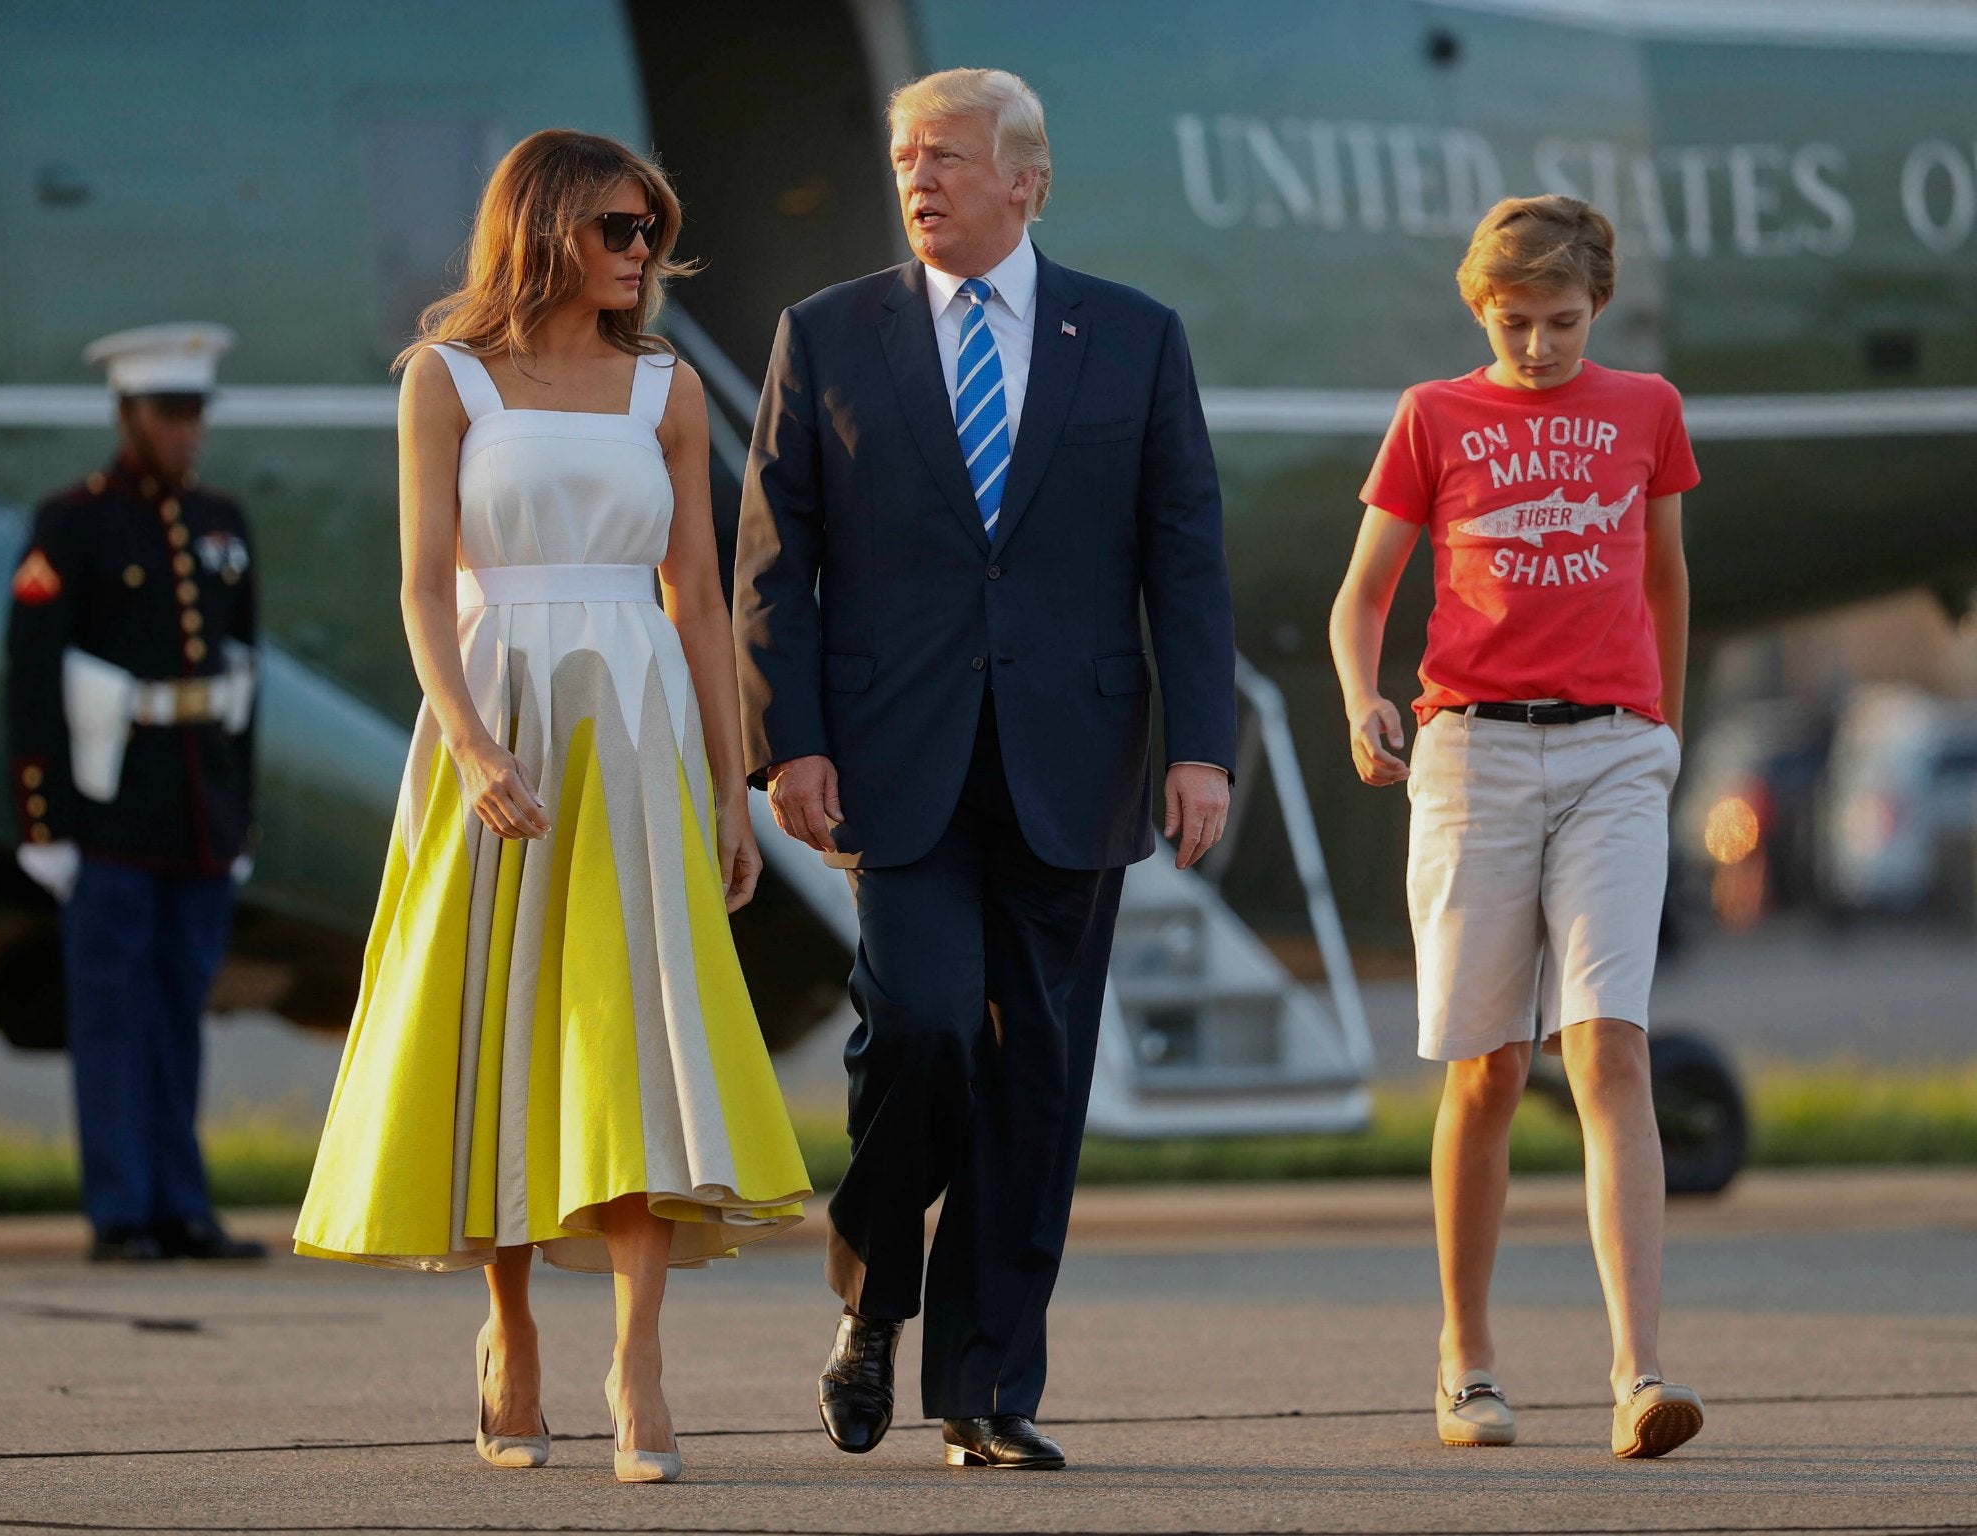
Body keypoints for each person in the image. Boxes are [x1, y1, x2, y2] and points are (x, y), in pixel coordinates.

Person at [735, 68, 1236, 1470]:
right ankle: (874, 1288)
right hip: (893, 759)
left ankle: (984, 1387)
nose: (919, 178)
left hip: (1075, 758)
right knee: (929, 1030)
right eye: (905, 156)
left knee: (1040, 1076)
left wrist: (1202, 749)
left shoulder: (1133, 338)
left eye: (948, 156)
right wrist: (793, 738)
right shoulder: (827, 335)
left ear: (1029, 177)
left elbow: (1184, 555)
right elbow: (776, 559)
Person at [293, 129, 809, 1481]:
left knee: (637, 1039)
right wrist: (466, 744)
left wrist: (729, 788)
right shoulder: (447, 380)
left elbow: (696, 600)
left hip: (637, 726)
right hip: (496, 719)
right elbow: (421, 588)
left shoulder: (668, 393)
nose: (643, 253)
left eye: (652, 229)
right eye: (619, 230)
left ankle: (639, 1365)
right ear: (546, 229)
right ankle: (508, 1329)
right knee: (505, 1028)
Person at [1328, 195, 1704, 1459]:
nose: (1537, 345)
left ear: (1595, 307)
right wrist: (1359, 699)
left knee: (1607, 1050)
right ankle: (1466, 1359)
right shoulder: (1435, 417)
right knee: (1485, 1066)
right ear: (1475, 309)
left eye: (1558, 321)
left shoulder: (1644, 409)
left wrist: (1660, 727)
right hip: (1472, 752)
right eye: (1512, 322)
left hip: (1610, 752)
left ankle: (1638, 1375)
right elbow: (1362, 595)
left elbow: (1663, 574)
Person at [4, 323, 267, 1265]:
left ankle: (181, 1207)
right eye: (167, 413)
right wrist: (45, 822)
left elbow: (243, 679)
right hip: (108, 812)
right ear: (126, 414)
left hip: (197, 811)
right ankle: (123, 1211)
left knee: (177, 1014)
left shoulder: (224, 522)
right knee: (113, 1017)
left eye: (195, 412)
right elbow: (32, 680)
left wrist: (241, 816)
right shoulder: (72, 523)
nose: (184, 431)